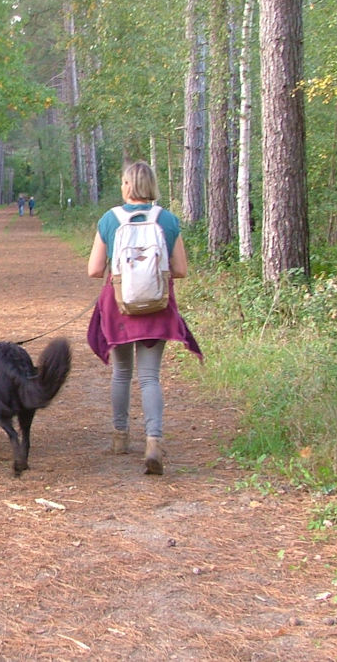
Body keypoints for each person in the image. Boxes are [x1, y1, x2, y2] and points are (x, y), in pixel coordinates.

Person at [86, 161, 202, 475]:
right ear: (151, 185)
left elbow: (94, 270)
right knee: (150, 377)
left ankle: (120, 437)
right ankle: (153, 441)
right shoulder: (168, 220)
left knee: (121, 373)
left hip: (120, 305)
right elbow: (180, 270)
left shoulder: (110, 219)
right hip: (157, 307)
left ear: (126, 186)